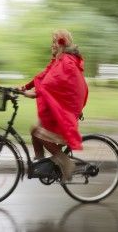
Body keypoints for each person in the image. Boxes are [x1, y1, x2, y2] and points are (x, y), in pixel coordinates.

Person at [19, 29, 89, 183]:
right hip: (61, 105)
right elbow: (44, 76)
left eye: (54, 42)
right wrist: (25, 87)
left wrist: (35, 93)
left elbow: (52, 83)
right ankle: (41, 162)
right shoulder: (59, 60)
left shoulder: (67, 61)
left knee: (40, 134)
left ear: (62, 44)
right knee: (34, 129)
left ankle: (66, 164)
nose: (52, 45)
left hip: (66, 108)